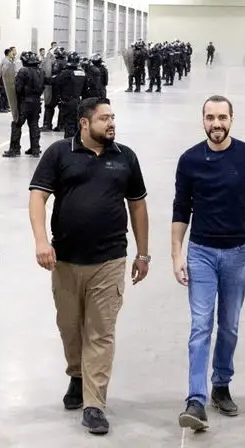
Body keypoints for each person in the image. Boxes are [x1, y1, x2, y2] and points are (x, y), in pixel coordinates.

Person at [30, 97, 151, 436]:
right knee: (69, 326)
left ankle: (94, 403)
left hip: (109, 259)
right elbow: (38, 196)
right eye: (104, 119)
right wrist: (41, 241)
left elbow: (138, 206)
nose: (111, 124)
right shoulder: (59, 154)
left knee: (101, 332)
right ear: (84, 123)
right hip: (65, 259)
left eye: (113, 118)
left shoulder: (125, 157)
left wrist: (143, 253)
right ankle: (77, 374)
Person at [171, 96, 245, 431]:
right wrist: (176, 254)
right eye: (211, 117)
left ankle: (221, 384)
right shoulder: (189, 160)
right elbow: (180, 209)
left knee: (228, 325)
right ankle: (195, 399)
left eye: (222, 117)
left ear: (232, 119)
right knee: (201, 326)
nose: (217, 123)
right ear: (202, 120)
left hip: (236, 253)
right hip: (200, 252)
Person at [6, 49, 47, 157]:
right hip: (37, 102)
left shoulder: (23, 71)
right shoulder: (41, 71)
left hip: (25, 102)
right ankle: (35, 149)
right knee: (34, 125)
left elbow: (18, 89)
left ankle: (14, 149)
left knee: (17, 124)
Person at [53, 53, 88, 140]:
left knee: (69, 125)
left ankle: (69, 145)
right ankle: (77, 143)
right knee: (77, 124)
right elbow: (85, 90)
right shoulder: (82, 73)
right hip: (78, 101)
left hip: (67, 101)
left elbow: (56, 83)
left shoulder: (65, 73)